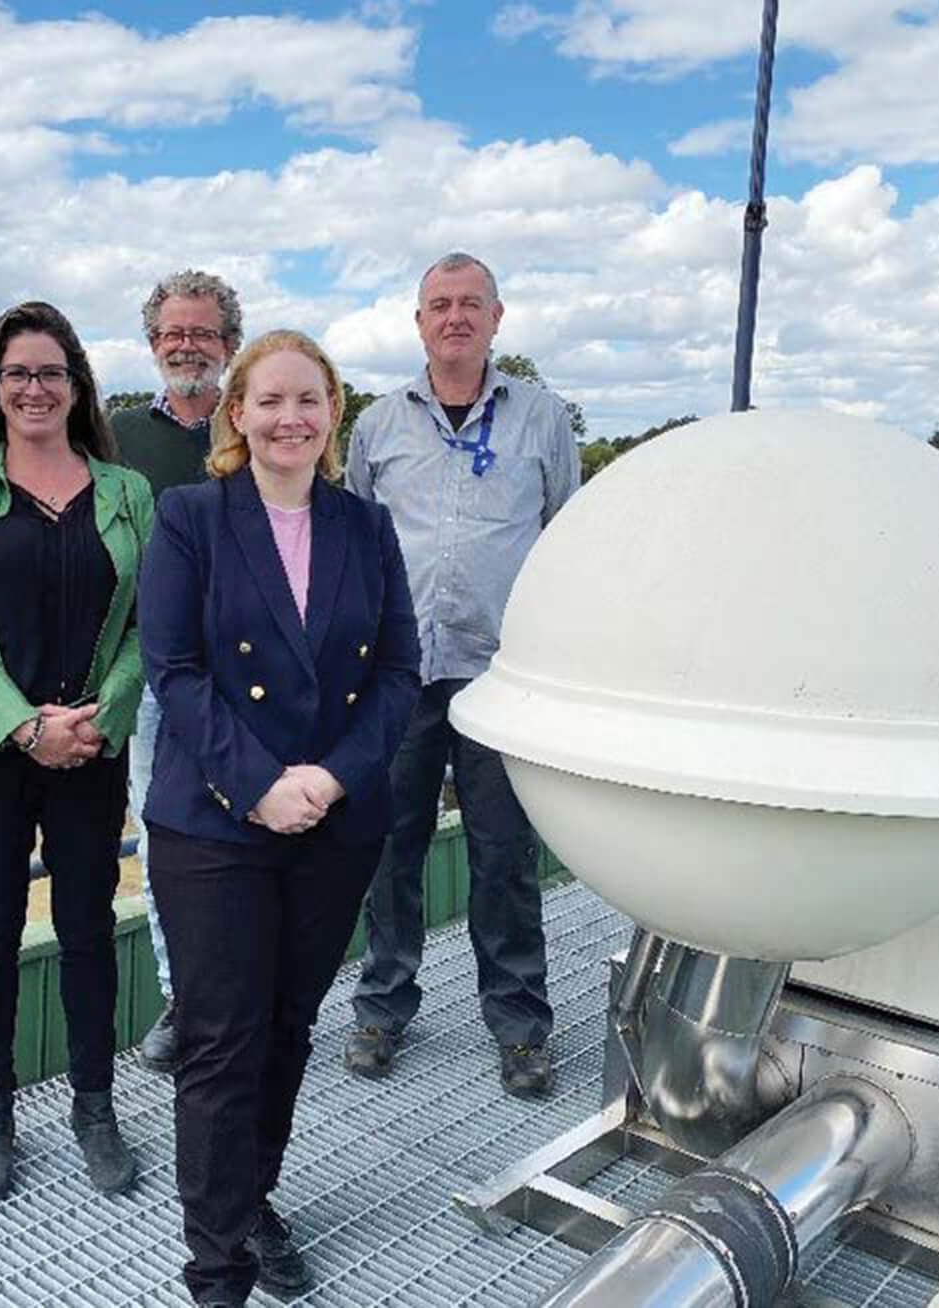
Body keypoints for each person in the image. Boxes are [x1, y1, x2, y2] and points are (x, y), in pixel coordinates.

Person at [139, 330, 420, 1306]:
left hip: (335, 825)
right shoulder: (191, 519)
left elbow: (397, 672)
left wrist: (334, 778)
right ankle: (217, 1271)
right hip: (215, 824)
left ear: (332, 412)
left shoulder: (365, 527)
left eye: (309, 400)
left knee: (288, 1027)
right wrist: (259, 783)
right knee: (222, 1039)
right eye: (270, 400)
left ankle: (250, 1199)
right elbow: (173, 671)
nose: (289, 418)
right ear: (239, 414)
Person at [0, 301, 154, 1205]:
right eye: (18, 373)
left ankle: (96, 1106)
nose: (35, 388)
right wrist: (25, 725)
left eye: (51, 372)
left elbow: (145, 622)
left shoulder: (126, 493)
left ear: (77, 385)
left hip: (92, 745)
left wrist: (101, 714)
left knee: (90, 925)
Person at [343, 252, 581, 1097]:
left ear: (496, 316)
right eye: (438, 305)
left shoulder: (542, 418)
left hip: (499, 679)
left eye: (469, 304)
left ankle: (520, 1027)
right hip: (399, 676)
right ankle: (382, 1010)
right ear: (418, 322)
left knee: (504, 857)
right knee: (388, 849)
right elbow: (355, 553)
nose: (454, 317)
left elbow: (563, 541)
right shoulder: (376, 427)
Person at [110, 269, 243, 1075]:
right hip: (157, 673)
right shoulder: (117, 434)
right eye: (171, 333)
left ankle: (253, 997)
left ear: (228, 341)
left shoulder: (262, 418)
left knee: (254, 835)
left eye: (201, 332)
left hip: (256, 673)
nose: (186, 345)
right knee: (166, 839)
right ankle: (185, 1000)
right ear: (153, 343)